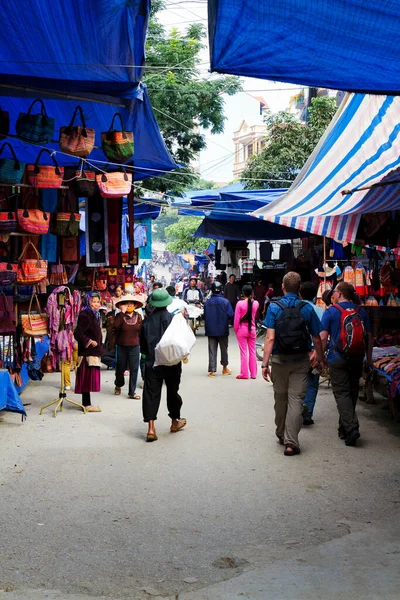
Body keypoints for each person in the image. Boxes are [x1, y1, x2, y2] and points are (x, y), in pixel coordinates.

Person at [261, 272, 325, 456]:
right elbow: (317, 338)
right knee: (296, 399)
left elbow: (270, 338)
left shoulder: (274, 307)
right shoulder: (306, 308)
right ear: (299, 289)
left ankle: (281, 433)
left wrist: (265, 364)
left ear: (283, 286)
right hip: (300, 361)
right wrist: (320, 358)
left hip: (279, 361)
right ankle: (291, 442)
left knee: (280, 397)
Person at [320, 282, 372, 446]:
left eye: (335, 292)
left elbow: (322, 338)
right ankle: (344, 428)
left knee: (342, 393)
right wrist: (368, 359)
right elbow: (369, 338)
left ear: (340, 293)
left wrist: (321, 358)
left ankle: (351, 428)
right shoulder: (361, 311)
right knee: (352, 391)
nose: (333, 295)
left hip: (337, 358)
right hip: (357, 357)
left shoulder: (331, 312)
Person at [140, 288, 187, 442]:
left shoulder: (146, 322)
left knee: (150, 393)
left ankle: (151, 428)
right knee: (172, 392)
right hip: (172, 362)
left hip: (153, 362)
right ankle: (174, 422)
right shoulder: (173, 319)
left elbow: (143, 346)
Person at [299, 282, 325, 425]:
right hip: (313, 353)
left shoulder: (294, 308)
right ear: (315, 296)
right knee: (312, 383)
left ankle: (296, 410)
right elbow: (321, 336)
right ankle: (307, 413)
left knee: (297, 381)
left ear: (300, 294)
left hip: (296, 353)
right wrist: (319, 355)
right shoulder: (320, 311)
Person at [74, 292, 104, 413]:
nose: (96, 304)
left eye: (98, 302)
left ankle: (87, 403)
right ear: (88, 302)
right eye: (93, 302)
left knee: (88, 378)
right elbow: (78, 333)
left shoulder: (94, 314)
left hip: (91, 352)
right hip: (87, 353)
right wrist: (89, 341)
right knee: (86, 379)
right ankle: (87, 404)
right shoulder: (85, 315)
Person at [113, 294, 143, 399]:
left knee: (134, 369)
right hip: (121, 345)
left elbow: (141, 332)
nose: (129, 305)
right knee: (120, 367)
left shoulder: (138, 316)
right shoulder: (119, 316)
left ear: (135, 305)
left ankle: (132, 392)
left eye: (131, 303)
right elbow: (115, 327)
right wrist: (122, 312)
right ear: (122, 305)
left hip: (134, 346)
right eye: (126, 303)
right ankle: (118, 384)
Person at [203, 281, 233, 377]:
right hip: (223, 329)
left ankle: (212, 371)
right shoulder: (226, 302)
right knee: (224, 349)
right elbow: (230, 314)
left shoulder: (207, 303)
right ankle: (224, 369)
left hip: (211, 330)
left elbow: (204, 316)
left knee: (212, 350)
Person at [234, 284, 259, 380]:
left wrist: (236, 331)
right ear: (252, 293)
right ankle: (253, 374)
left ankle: (244, 374)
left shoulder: (239, 304)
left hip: (242, 329)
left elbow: (236, 320)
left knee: (244, 352)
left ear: (243, 293)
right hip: (252, 329)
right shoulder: (256, 303)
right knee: (252, 351)